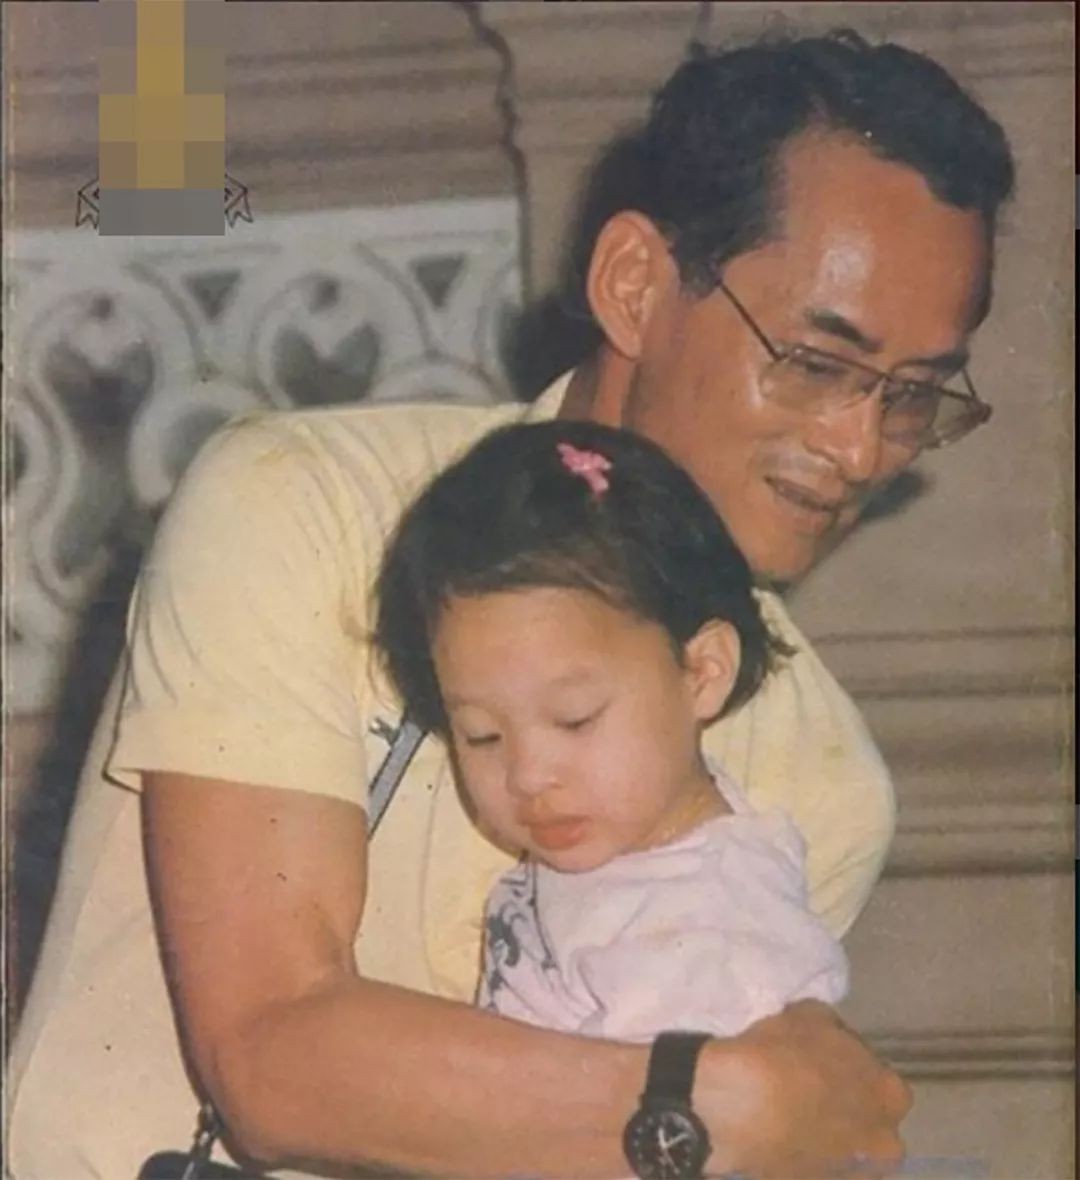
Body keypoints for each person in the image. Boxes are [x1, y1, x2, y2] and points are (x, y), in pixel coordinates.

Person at [7, 28, 1014, 1180]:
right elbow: (273, 1059)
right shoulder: (309, 506)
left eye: (911, 397)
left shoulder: (813, 772)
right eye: (817, 363)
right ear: (634, 286)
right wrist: (700, 1100)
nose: (857, 447)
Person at [374, 419, 850, 1048]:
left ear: (703, 672)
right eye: (482, 735)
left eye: (575, 719)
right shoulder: (629, 857)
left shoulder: (714, 936)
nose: (528, 775)